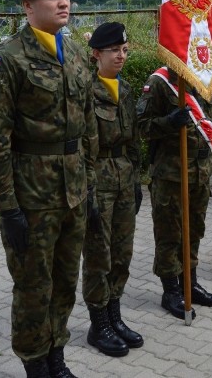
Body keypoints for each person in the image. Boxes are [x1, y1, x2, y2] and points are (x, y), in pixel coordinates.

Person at [0, 0, 96, 378]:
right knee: (32, 288)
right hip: (32, 196)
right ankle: (34, 365)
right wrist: (8, 209)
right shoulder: (7, 60)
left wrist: (89, 186)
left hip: (73, 191)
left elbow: (88, 125)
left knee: (64, 281)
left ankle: (56, 357)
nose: (63, 2)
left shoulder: (77, 53)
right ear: (28, 6)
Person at [136, 65, 212, 320]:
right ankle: (170, 290)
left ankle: (190, 283)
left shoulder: (204, 80)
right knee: (170, 233)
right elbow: (140, 127)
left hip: (201, 171)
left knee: (193, 230)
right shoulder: (159, 82)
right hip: (171, 173)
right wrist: (168, 123)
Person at [80, 22, 142, 358]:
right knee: (98, 256)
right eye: (113, 50)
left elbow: (133, 143)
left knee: (122, 251)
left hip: (123, 179)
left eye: (124, 49)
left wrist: (136, 183)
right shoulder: (85, 92)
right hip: (98, 181)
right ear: (96, 54)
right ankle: (98, 323)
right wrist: (86, 190)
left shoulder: (127, 89)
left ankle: (115, 316)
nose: (120, 55)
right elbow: (79, 147)